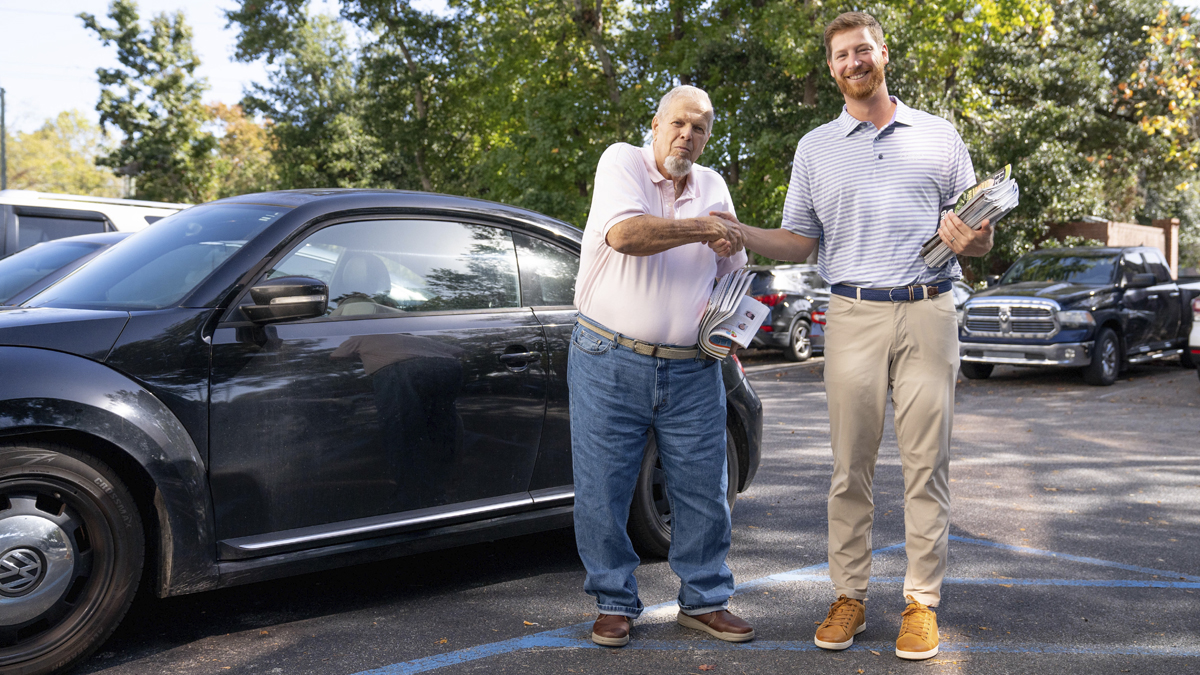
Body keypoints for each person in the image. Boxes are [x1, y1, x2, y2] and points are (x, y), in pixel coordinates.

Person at [727, 11, 993, 661]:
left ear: (884, 55)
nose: (854, 62)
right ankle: (849, 595)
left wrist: (975, 237)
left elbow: (980, 233)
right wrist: (738, 232)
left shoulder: (938, 136)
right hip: (850, 314)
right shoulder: (815, 148)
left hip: (929, 310)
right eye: (842, 54)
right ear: (830, 67)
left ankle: (920, 602)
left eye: (863, 50)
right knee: (851, 468)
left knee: (927, 466)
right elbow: (798, 240)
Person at [569, 84, 754, 648]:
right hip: (608, 355)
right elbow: (625, 235)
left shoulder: (714, 184)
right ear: (655, 124)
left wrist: (729, 262)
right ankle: (613, 602)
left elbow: (732, 269)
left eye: (699, 128)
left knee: (704, 488)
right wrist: (706, 229)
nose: (687, 136)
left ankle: (704, 601)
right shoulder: (621, 160)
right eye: (678, 123)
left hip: (693, 364)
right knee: (603, 489)